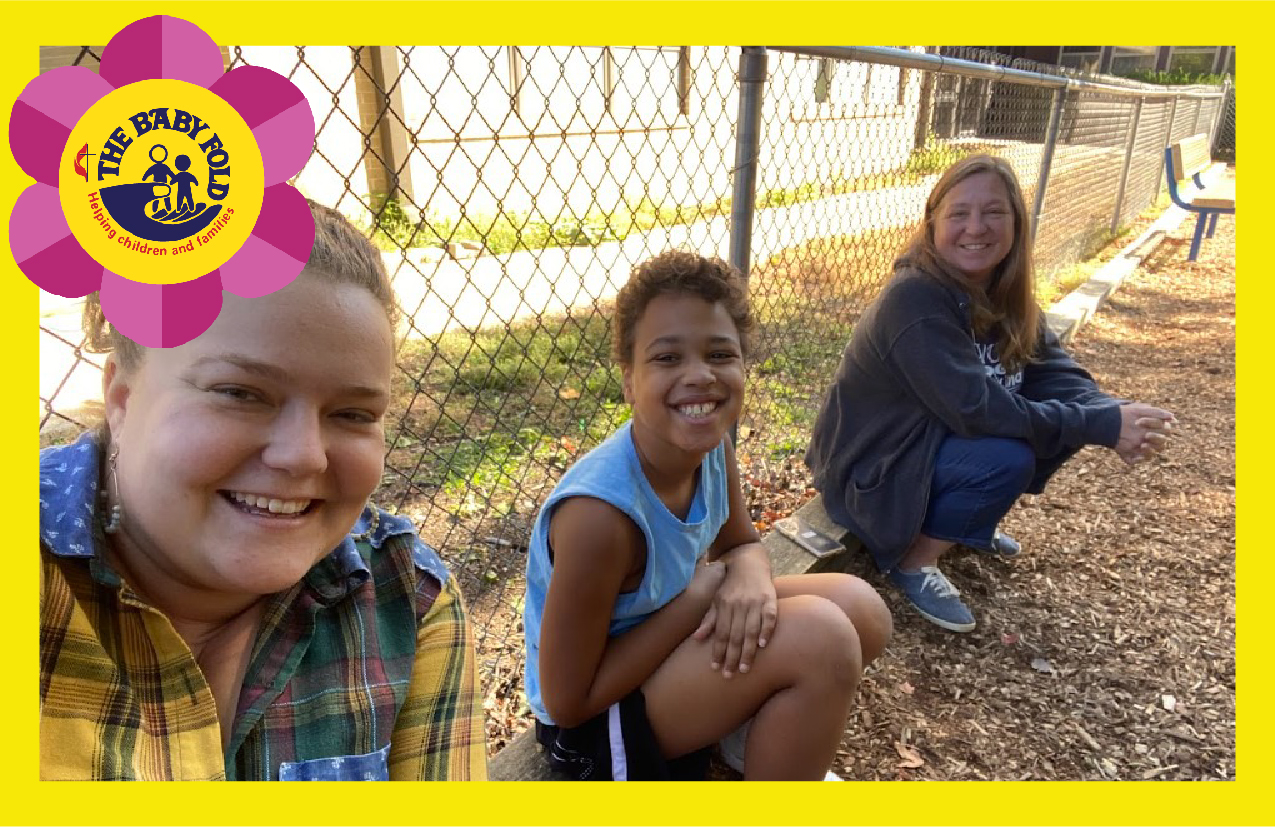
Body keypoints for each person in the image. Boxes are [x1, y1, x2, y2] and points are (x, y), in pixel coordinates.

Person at [39, 201, 487, 780]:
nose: (303, 454)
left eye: (352, 413)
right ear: (122, 398)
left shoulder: (409, 602)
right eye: (239, 393)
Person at [521, 250, 892, 781]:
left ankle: (747, 737)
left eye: (720, 354)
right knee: (823, 642)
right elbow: (567, 703)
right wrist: (700, 595)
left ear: (744, 366)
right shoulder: (600, 518)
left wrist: (744, 575)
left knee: (860, 610)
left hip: (667, 642)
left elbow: (741, 544)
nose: (699, 375)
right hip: (597, 727)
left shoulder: (711, 450)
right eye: (667, 358)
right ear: (628, 380)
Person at [805, 155, 1176, 634]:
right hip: (869, 467)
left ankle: (961, 521)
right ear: (933, 222)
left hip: (924, 444)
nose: (975, 227)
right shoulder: (915, 299)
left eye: (993, 213)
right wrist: (1098, 425)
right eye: (959, 213)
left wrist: (1110, 411)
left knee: (1054, 420)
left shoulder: (1000, 291)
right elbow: (976, 411)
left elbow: (1052, 369)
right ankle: (912, 561)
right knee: (1007, 454)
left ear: (1016, 223)